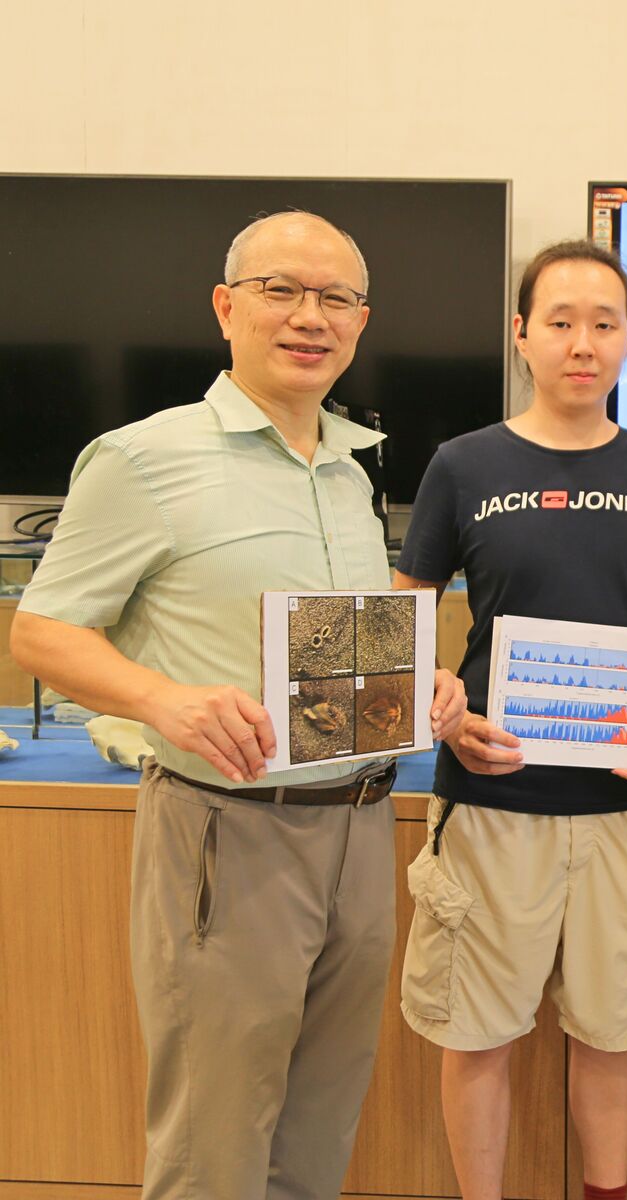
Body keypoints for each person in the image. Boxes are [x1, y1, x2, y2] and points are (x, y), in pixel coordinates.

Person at [9, 210, 468, 1199]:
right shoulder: (140, 459)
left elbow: (340, 635)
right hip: (227, 832)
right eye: (281, 291)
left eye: (336, 299)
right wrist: (163, 701)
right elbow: (40, 631)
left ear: (361, 322)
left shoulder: (350, 467)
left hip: (359, 827)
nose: (311, 317)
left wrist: (414, 673)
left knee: (320, 1123)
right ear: (226, 307)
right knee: (215, 1140)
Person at [393, 240, 627, 1200]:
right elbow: (404, 619)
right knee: (476, 1030)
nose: (582, 342)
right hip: (492, 803)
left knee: (615, 1032)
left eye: (604, 323)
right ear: (522, 335)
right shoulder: (464, 466)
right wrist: (444, 716)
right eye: (560, 321)